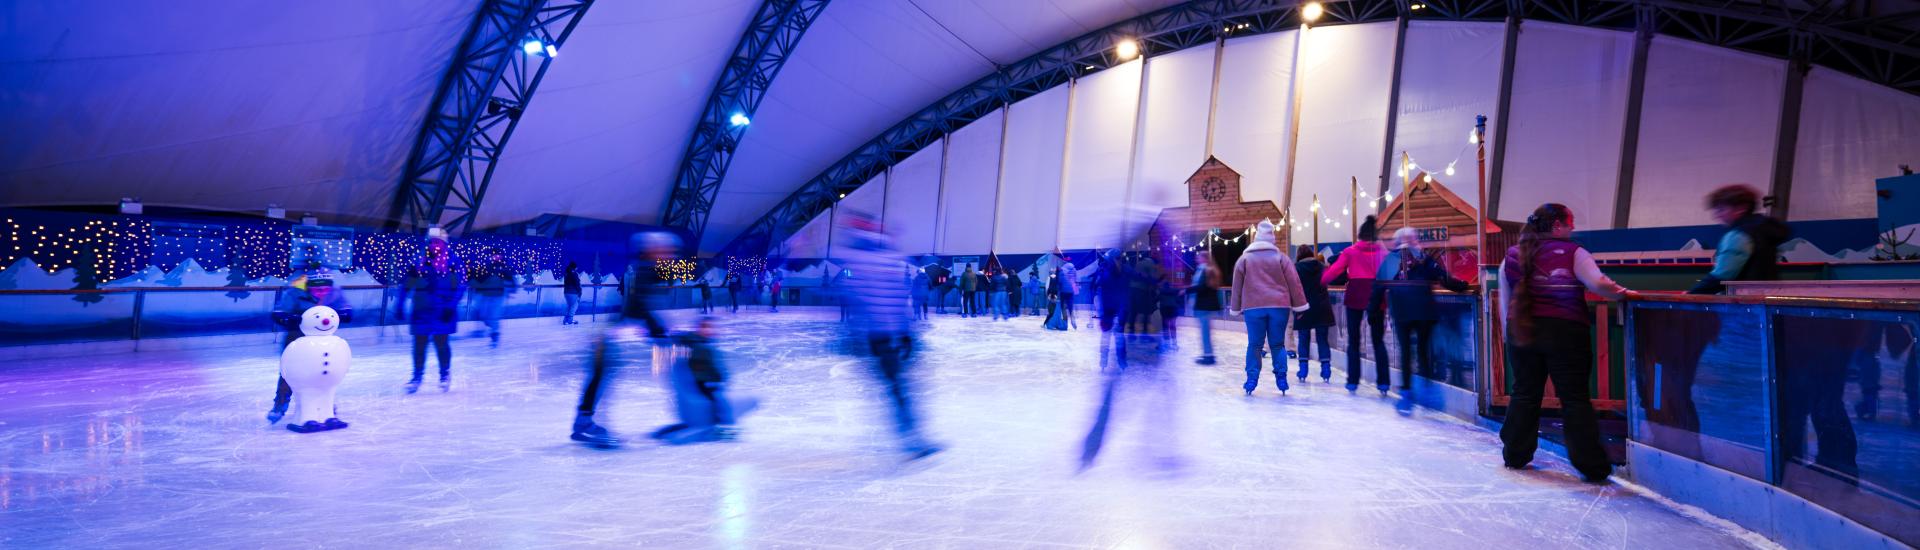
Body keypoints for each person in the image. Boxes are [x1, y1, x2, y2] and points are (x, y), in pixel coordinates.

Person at [1498, 203, 1634, 483]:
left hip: (1521, 333)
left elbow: (1505, 300)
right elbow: (1599, 284)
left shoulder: (1512, 255)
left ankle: (1515, 454)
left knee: (1524, 392)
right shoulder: (1574, 252)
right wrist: (1625, 294)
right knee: (1574, 398)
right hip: (1566, 332)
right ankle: (1592, 466)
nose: (1572, 229)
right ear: (1557, 225)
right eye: (1570, 224)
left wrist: (1507, 334)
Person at [836, 211, 942, 460]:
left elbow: (854, 295)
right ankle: (913, 438)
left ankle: (911, 435)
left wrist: (853, 333)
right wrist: (907, 333)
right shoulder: (885, 259)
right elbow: (892, 298)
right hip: (885, 334)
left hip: (878, 334)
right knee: (897, 386)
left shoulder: (857, 259)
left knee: (895, 386)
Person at [571, 231, 679, 448]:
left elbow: (646, 298)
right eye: (665, 251)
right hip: (610, 334)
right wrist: (657, 331)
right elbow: (637, 305)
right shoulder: (646, 269)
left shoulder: (647, 268)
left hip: (614, 332)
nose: (669, 255)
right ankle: (583, 423)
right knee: (601, 373)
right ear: (653, 250)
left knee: (603, 374)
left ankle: (584, 421)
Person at [1377, 227, 1471, 410]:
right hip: (1423, 311)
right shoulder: (1423, 257)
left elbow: (1379, 284)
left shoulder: (1391, 259)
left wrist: (1374, 309)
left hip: (1403, 312)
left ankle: (1407, 392)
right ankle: (1427, 389)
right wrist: (1462, 286)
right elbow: (1443, 278)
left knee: (1406, 351)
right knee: (1422, 350)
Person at [1230, 221, 1311, 396]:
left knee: (1255, 345)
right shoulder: (1281, 258)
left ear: (1256, 238)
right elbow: (1294, 283)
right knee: (1277, 344)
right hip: (1279, 306)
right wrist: (1300, 306)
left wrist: (1235, 308)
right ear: (1272, 238)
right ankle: (1281, 378)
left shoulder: (1245, 259)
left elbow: (1237, 285)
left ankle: (1251, 379)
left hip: (1253, 308)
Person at [266, 269, 353, 423]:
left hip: (324, 340)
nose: (322, 292)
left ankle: (327, 407)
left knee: (323, 373)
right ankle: (280, 404)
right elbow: (279, 311)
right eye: (317, 289)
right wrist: (290, 318)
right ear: (308, 285)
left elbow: (346, 307)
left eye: (325, 289)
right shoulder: (295, 292)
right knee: (290, 373)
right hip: (297, 339)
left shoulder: (335, 292)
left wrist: (345, 313)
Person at [650, 316, 747, 444]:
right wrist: (666, 335)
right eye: (704, 327)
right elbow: (683, 339)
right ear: (698, 329)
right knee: (717, 401)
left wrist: (722, 376)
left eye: (710, 328)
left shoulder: (705, 344)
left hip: (708, 380)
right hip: (702, 381)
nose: (707, 330)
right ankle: (723, 426)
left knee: (718, 400)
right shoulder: (696, 342)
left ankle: (717, 424)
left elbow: (716, 365)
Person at [1324, 216, 1390, 394]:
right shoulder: (1382, 253)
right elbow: (1391, 272)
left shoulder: (1350, 251)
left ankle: (1353, 381)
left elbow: (1334, 270)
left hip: (1355, 294)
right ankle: (1383, 383)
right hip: (1377, 295)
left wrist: (1322, 281)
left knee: (1353, 341)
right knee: (1378, 341)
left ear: (1360, 235)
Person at [1689, 184, 1791, 294]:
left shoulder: (1738, 235)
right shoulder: (1763, 230)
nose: (1717, 215)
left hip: (1742, 302)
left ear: (1741, 208)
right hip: (1767, 298)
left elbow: (1723, 275)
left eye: (1721, 209)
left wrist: (1691, 295)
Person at [406, 232, 463, 394]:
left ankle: (444, 374)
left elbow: (460, 285)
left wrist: (451, 305)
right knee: (419, 344)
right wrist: (400, 302)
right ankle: (417, 376)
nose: (434, 246)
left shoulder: (452, 262)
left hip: (443, 310)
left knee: (441, 343)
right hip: (421, 310)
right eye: (432, 242)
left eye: (438, 242)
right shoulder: (419, 261)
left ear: (444, 244)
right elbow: (407, 283)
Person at [1292, 246, 1335, 382]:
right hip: (1322, 307)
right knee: (1322, 339)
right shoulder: (1321, 267)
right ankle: (1326, 369)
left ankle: (1303, 370)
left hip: (1304, 307)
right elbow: (1331, 279)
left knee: (1304, 338)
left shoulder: (1296, 268)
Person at [1189, 250, 1224, 365]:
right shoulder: (1211, 269)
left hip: (1204, 305)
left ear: (1204, 259)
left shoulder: (1203, 270)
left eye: (1198, 257)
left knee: (1205, 332)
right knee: (1206, 331)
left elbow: (1201, 287)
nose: (1196, 259)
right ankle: (1208, 354)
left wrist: (1186, 290)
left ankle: (1208, 356)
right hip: (1208, 306)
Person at [1051, 264, 1078, 329]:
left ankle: (1064, 325)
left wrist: (1055, 294)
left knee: (1063, 308)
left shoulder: (1060, 273)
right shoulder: (1070, 272)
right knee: (1070, 308)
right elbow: (1073, 281)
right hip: (1071, 292)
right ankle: (1073, 320)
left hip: (1063, 292)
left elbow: (1058, 284)